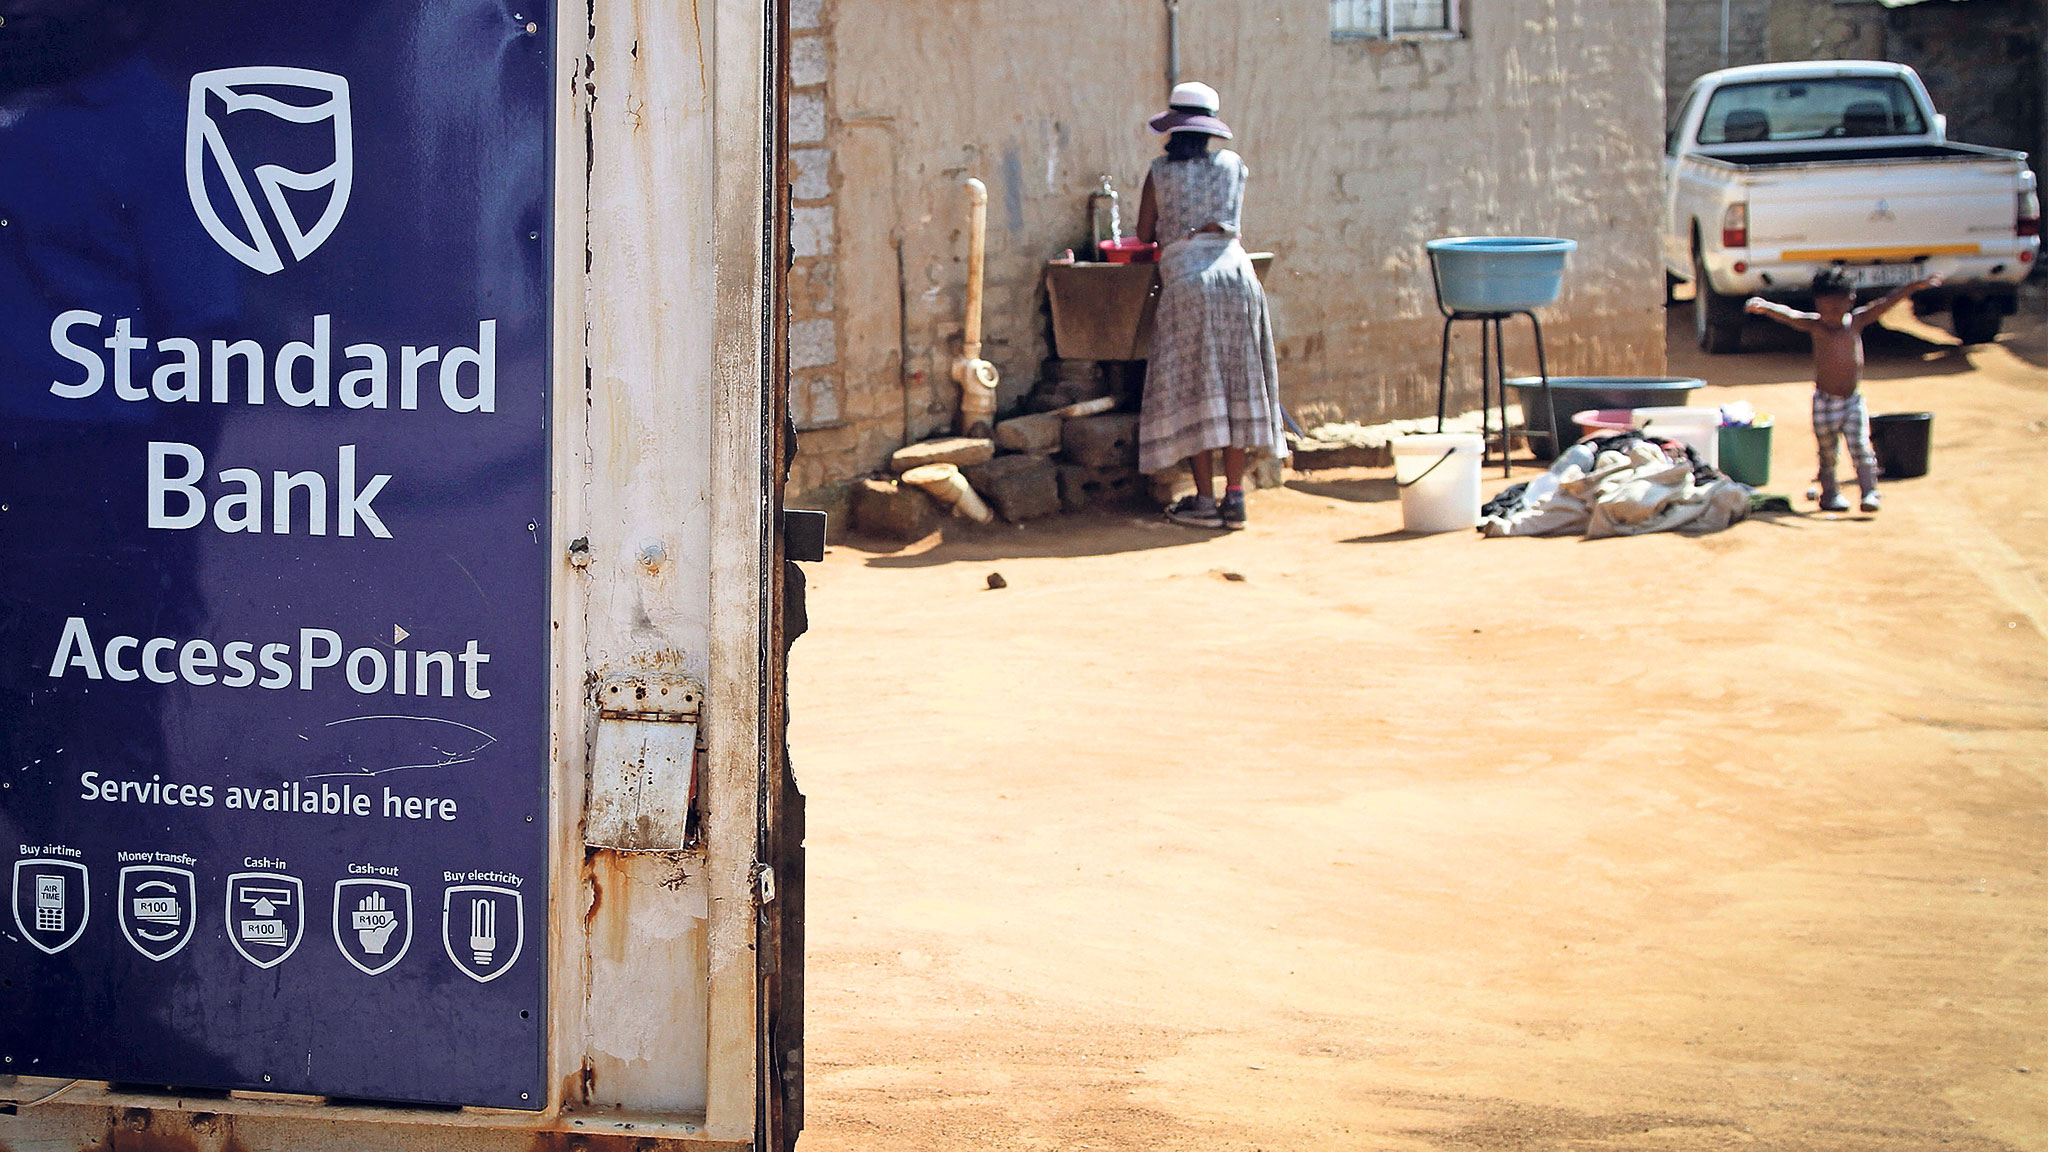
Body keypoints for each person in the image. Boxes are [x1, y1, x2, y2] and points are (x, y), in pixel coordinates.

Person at [1134, 81, 1285, 531]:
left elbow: (1144, 234)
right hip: (1237, 278)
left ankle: (1203, 499)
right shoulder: (1233, 166)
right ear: (1208, 130)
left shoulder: (1160, 172)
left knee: (1198, 389)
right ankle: (1235, 498)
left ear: (1173, 128)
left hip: (1186, 285)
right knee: (1236, 385)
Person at [1744, 269, 1940, 513]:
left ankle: (1869, 491)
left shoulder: (1857, 321)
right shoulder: (1815, 325)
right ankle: (1829, 494)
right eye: (1824, 309)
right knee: (1827, 451)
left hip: (1852, 401)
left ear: (1850, 301)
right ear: (1817, 305)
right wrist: (1765, 307)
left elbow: (1886, 303)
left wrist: (1912, 287)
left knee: (1860, 446)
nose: (1830, 316)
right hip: (1824, 402)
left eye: (1837, 309)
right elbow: (1789, 315)